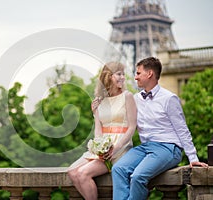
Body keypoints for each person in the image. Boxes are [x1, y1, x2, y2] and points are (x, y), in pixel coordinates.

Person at [112, 57, 208, 200]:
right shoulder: (136, 99)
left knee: (138, 176)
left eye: (138, 73)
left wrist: (192, 157)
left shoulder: (169, 98)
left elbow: (182, 130)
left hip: (168, 148)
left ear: (149, 73)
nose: (135, 77)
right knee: (118, 169)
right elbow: (125, 124)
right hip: (145, 148)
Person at [67, 62, 137, 200]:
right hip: (103, 147)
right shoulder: (100, 101)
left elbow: (132, 127)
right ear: (108, 76)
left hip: (120, 148)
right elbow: (99, 130)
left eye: (123, 74)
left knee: (82, 173)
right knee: (71, 171)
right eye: (119, 74)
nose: (122, 77)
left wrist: (115, 148)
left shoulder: (127, 96)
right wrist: (98, 147)